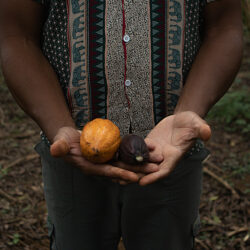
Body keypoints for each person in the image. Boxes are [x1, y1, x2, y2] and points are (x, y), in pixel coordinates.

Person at [0, 0, 243, 249]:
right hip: (72, 152)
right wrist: (59, 126)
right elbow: (16, 34)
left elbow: (224, 27)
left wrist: (190, 110)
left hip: (172, 154)